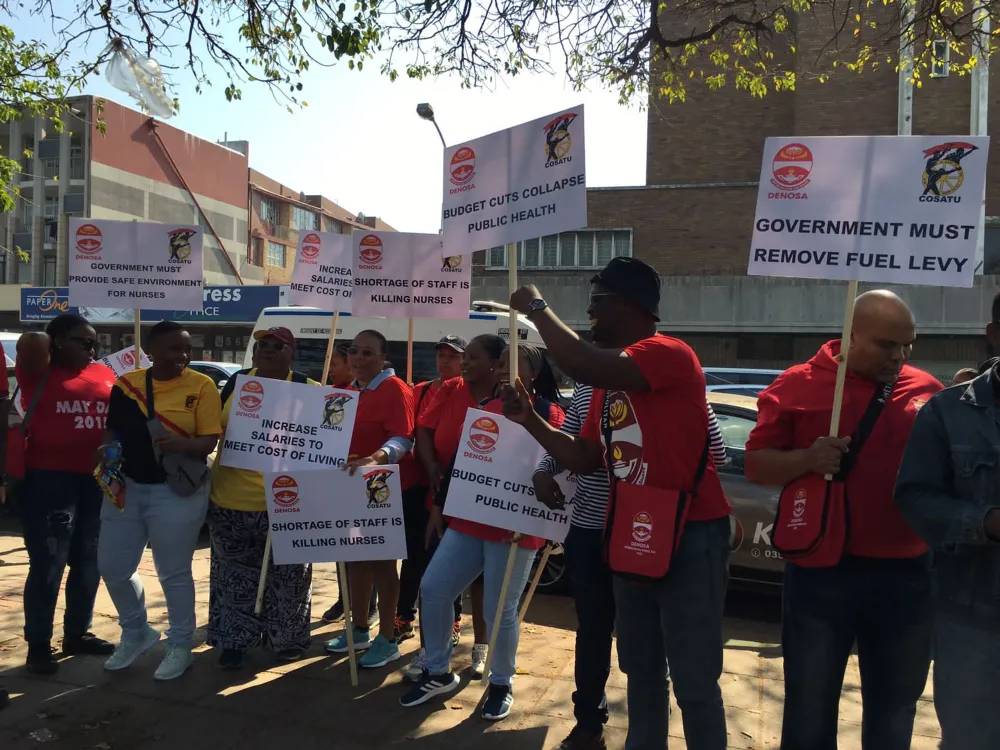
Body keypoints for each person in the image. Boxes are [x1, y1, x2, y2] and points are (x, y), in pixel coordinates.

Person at [502, 257, 732, 749]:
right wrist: (530, 421)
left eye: (596, 303)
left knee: (693, 679)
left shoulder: (669, 353)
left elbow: (582, 362)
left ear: (628, 305)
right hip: (632, 529)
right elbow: (584, 457)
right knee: (641, 669)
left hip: (691, 532)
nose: (589, 314)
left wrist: (537, 308)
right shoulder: (609, 386)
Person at [745, 290, 941, 750]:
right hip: (822, 573)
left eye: (908, 345)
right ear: (851, 337)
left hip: (907, 575)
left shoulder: (928, 391)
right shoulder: (797, 384)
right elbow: (755, 465)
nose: (899, 356)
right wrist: (808, 459)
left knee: (894, 713)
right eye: (886, 344)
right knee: (809, 711)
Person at [401, 340, 565, 722]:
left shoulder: (550, 414)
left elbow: (558, 468)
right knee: (434, 588)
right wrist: (439, 507)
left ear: (533, 373)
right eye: (501, 363)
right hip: (470, 520)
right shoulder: (485, 409)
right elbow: (461, 464)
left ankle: (501, 682)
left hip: (516, 530)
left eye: (514, 363)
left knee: (498, 609)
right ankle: (438, 671)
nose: (504, 369)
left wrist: (532, 521)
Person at [98, 321, 222, 681]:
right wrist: (106, 448)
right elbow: (113, 428)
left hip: (177, 490)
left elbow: (209, 441)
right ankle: (136, 631)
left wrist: (182, 444)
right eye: (173, 348)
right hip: (127, 488)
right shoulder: (127, 385)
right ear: (150, 350)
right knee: (113, 567)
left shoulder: (202, 385)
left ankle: (180, 644)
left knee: (173, 572)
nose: (183, 355)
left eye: (187, 349)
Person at [895, 342, 1000, 749]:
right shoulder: (947, 411)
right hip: (973, 622)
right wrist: (985, 522)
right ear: (995, 333)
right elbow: (915, 499)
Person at [207, 327, 320, 669]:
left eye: (276, 346)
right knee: (233, 577)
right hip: (231, 500)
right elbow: (213, 429)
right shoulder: (237, 382)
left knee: (290, 578)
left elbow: (323, 445)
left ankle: (287, 641)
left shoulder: (310, 390)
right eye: (261, 345)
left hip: (287, 502)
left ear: (291, 354)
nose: (266, 350)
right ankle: (234, 642)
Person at [14, 316, 116, 675]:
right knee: (48, 563)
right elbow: (30, 340)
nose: (92, 349)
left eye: (95, 343)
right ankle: (38, 645)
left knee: (89, 561)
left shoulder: (103, 373)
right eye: (83, 342)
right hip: (48, 482)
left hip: (95, 481)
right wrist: (51, 340)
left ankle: (77, 633)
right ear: (56, 342)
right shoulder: (37, 370)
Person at [404, 334, 504, 683]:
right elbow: (424, 429)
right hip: (442, 498)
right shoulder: (449, 389)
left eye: (469, 357)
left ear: (495, 364)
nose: (462, 363)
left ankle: (482, 646)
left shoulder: (506, 398)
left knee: (483, 582)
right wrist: (431, 465)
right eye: (462, 357)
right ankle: (431, 652)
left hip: (486, 502)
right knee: (435, 580)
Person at [324, 329, 417, 669]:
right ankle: (359, 628)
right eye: (354, 351)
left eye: (367, 352)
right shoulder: (347, 392)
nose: (359, 358)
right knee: (355, 561)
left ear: (382, 357)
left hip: (382, 489)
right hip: (349, 487)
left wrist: (375, 458)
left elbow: (404, 438)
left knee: (382, 564)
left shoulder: (395, 388)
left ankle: (388, 639)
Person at [395, 334, 466, 643]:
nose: (445, 360)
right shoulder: (420, 390)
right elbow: (410, 431)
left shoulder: (468, 391)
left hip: (453, 490)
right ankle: (403, 616)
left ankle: (453, 619)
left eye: (453, 356)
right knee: (414, 555)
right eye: (441, 355)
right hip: (418, 487)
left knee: (449, 558)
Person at [320, 341, 378, 629]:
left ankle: (368, 606)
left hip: (363, 480)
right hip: (336, 479)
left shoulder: (365, 394)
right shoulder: (328, 395)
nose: (329, 369)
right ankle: (345, 598)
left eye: (334, 364)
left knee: (366, 547)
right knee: (342, 544)